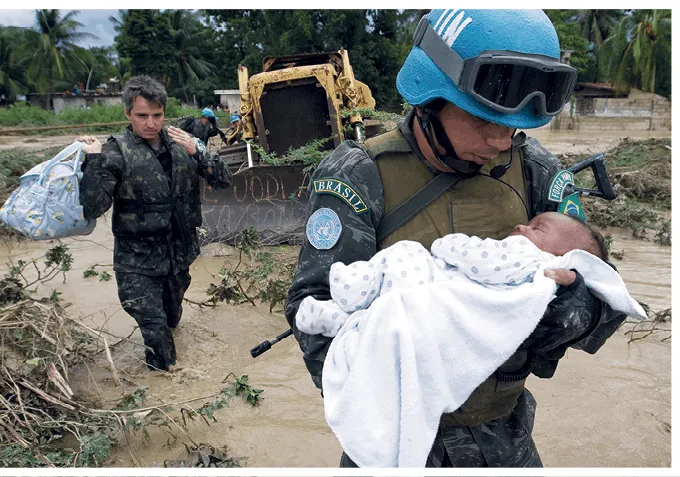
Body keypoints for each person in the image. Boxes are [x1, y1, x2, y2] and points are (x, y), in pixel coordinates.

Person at [285, 9, 627, 468]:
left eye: (512, 126)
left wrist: (561, 313)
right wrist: (384, 385)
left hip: (506, 441)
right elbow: (311, 306)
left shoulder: (538, 171)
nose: (502, 141)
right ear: (431, 100)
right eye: (484, 121)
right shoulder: (359, 173)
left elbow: (603, 290)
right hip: (395, 439)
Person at [76, 75, 232, 371]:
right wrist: (93, 160)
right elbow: (95, 207)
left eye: (157, 115)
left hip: (177, 257)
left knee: (172, 319)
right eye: (142, 115)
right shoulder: (114, 152)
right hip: (137, 263)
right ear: (127, 114)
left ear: (164, 112)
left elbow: (224, 180)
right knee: (157, 335)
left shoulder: (180, 143)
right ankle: (167, 390)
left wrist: (197, 151)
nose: (151, 123)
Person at [296, 212, 610, 337]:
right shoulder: (363, 168)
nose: (499, 140)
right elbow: (305, 296)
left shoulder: (533, 166)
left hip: (502, 433)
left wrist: (568, 302)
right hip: (393, 419)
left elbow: (602, 292)